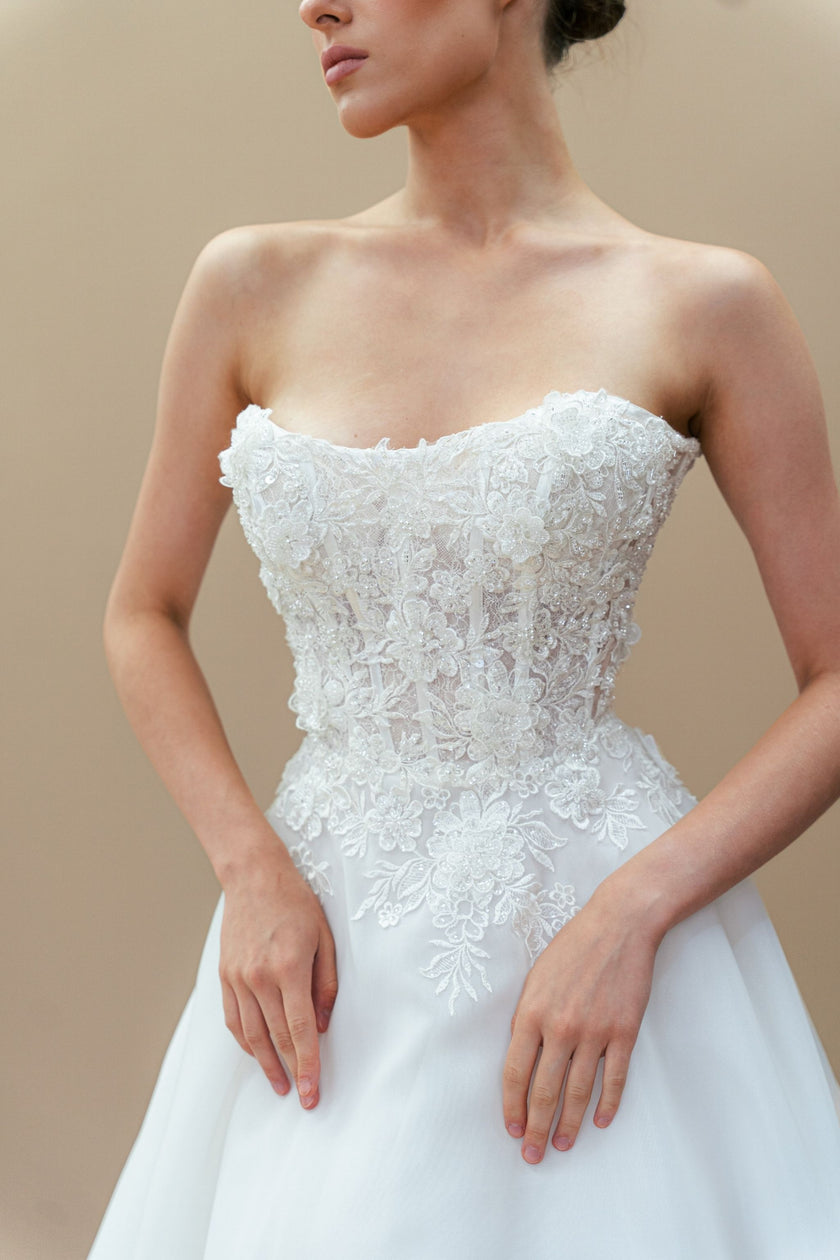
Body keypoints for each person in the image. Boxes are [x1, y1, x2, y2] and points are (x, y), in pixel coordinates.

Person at [88, 0, 840, 1256]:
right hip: (326, 945)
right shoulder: (250, 282)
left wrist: (633, 910)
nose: (315, 7)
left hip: (600, 933)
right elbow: (141, 613)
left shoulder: (707, 304)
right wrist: (250, 870)